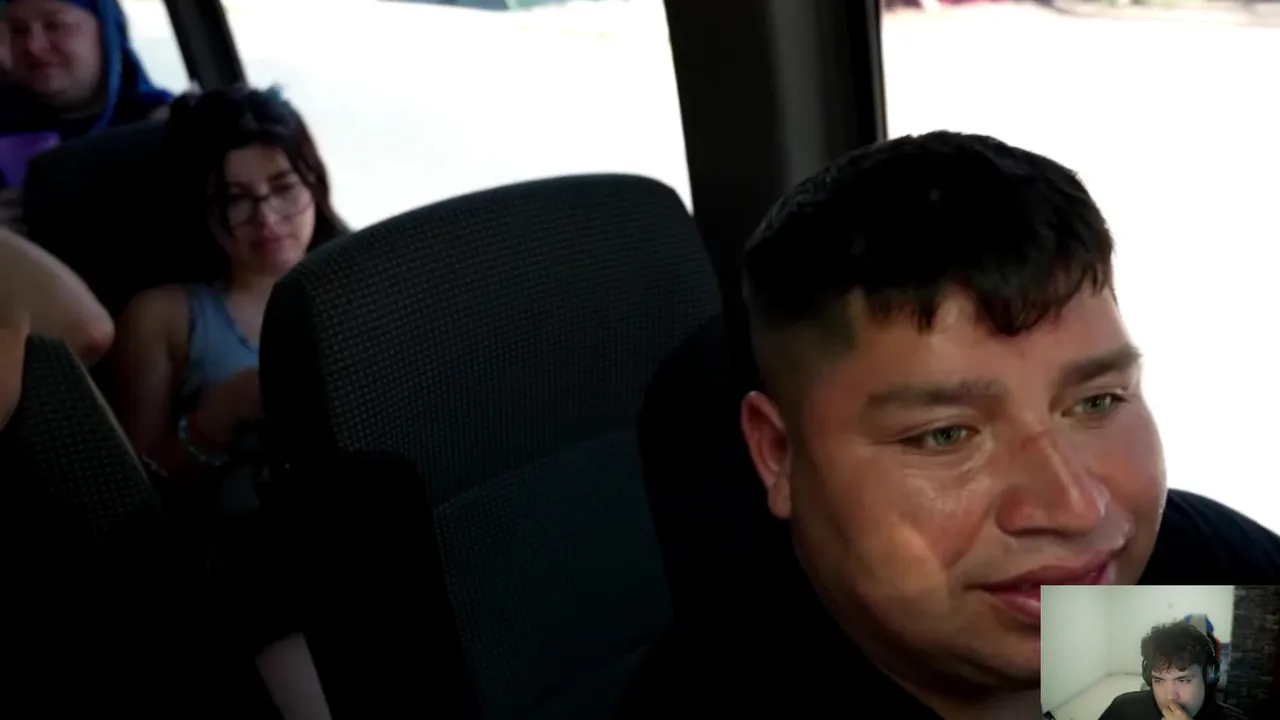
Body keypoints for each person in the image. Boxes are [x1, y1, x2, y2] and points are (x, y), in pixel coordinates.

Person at [618, 131, 1280, 720]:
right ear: (779, 454)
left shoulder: (1197, 576)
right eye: (946, 435)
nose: (1077, 509)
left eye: (1097, 402)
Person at [110, 85, 347, 489]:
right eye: (235, 199)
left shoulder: (362, 282)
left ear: (314, 186)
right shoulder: (163, 317)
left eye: (284, 189)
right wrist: (213, 422)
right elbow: (129, 487)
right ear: (199, 207)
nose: (267, 218)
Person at [0, 0, 172, 140]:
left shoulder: (165, 129)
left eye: (54, 25)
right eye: (18, 30)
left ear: (106, 33)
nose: (33, 47)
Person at [1098, 622, 1249, 720]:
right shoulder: (1123, 709)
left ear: (1209, 676)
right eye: (1159, 680)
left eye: (1183, 680)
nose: (1170, 696)